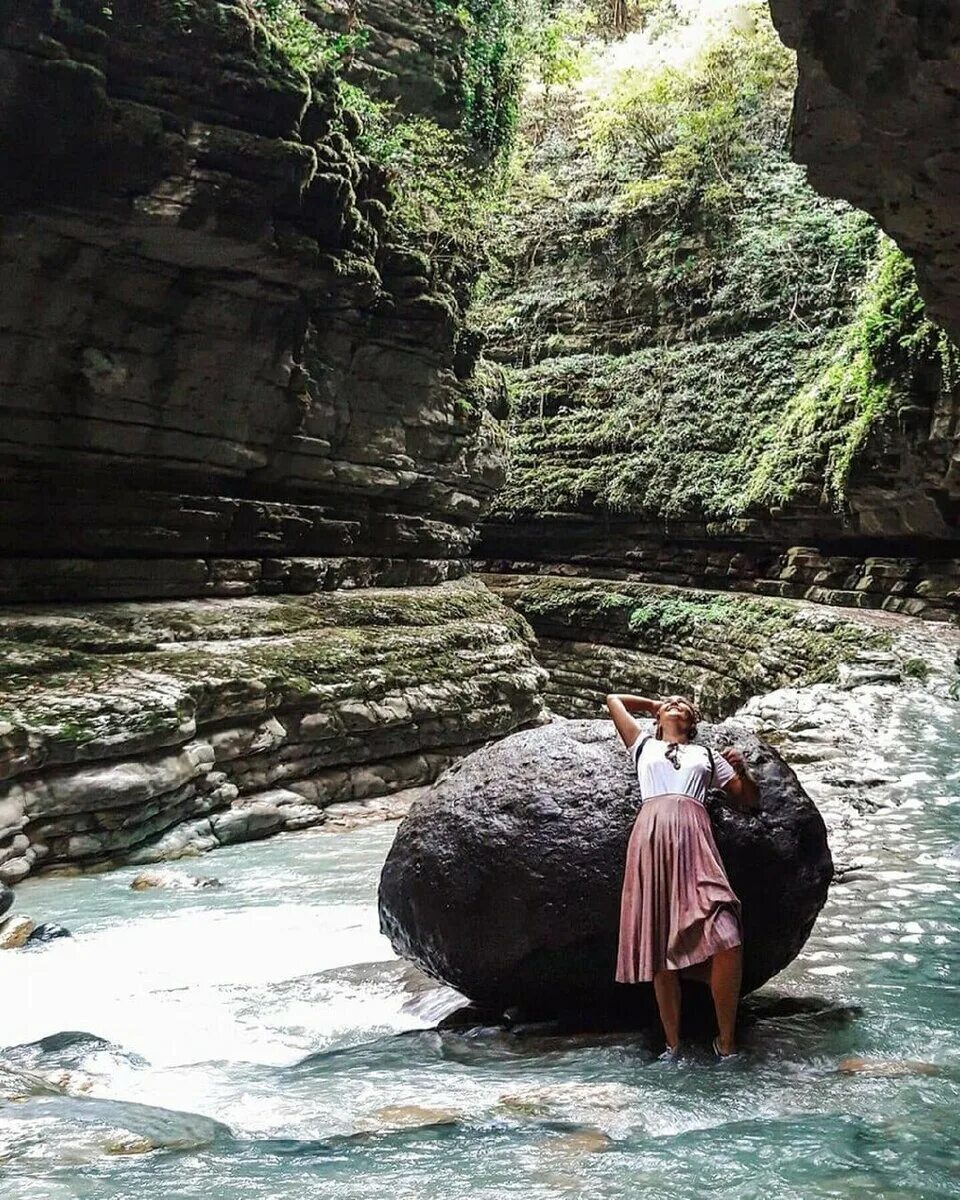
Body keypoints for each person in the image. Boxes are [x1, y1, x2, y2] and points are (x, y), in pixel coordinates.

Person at [606, 692, 759, 1061]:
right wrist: (653, 705)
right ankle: (673, 1046)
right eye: (669, 703)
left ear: (693, 722)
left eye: (683, 703)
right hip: (651, 837)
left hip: (695, 838)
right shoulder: (643, 745)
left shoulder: (706, 755)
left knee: (728, 937)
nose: (675, 703)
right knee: (659, 942)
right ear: (658, 719)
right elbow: (613, 700)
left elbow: (749, 799)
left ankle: (726, 1042)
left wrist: (742, 771)